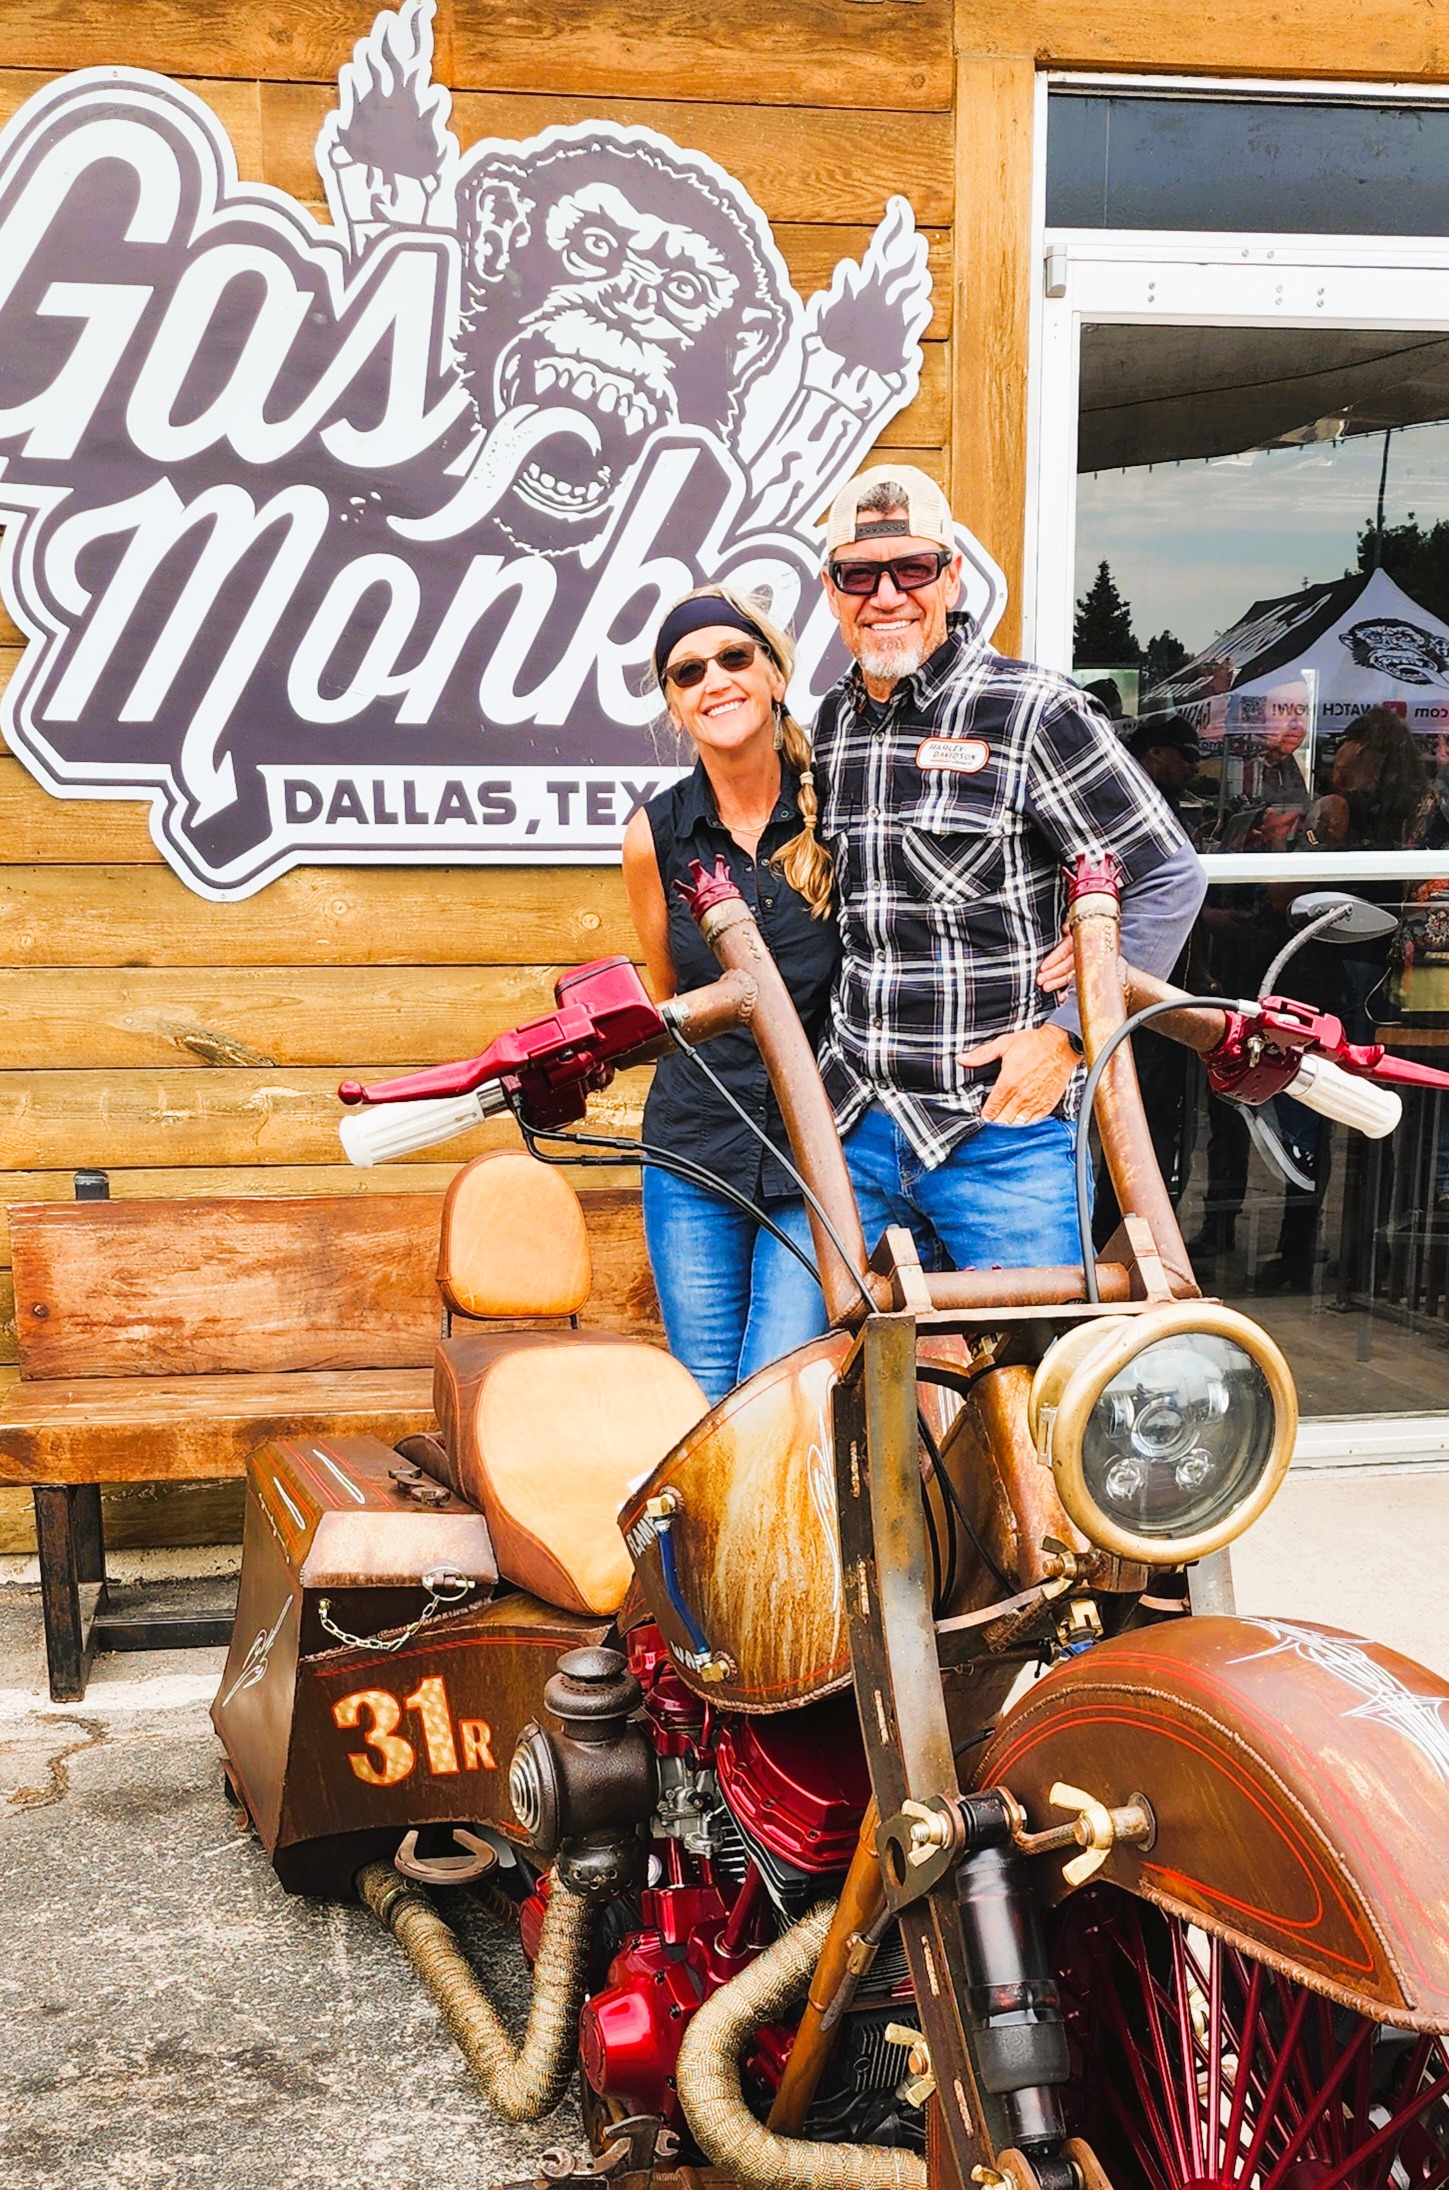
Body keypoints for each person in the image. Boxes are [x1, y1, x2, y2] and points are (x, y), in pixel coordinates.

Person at [811, 464, 1207, 1272]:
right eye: (858, 575)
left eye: (911, 569)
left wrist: (1068, 1037)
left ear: (951, 577)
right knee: (837, 1354)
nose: (885, 595)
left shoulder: (1033, 711)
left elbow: (1167, 876)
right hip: (855, 1125)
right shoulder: (832, 725)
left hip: (1000, 1135)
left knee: (1031, 1351)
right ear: (831, 591)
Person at [622, 585, 838, 1403]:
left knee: (778, 1390)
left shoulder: (838, 812)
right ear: (675, 705)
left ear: (774, 675)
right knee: (706, 1397)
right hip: (693, 1149)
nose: (713, 679)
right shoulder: (654, 835)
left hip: (815, 1151)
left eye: (733, 657)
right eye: (687, 672)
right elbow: (669, 991)